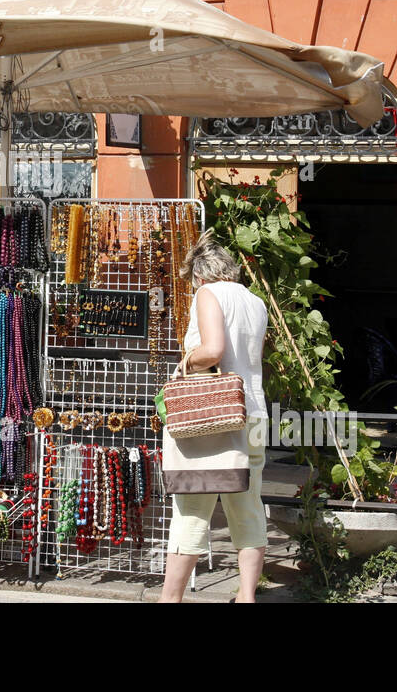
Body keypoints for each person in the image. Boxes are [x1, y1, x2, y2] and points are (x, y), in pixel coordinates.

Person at [159, 230, 269, 604]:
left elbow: (214, 350)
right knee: (248, 509)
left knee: (192, 510)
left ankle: (169, 600)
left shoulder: (208, 294)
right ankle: (246, 597)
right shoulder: (255, 301)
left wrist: (185, 361)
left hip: (212, 419)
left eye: (192, 283)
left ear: (200, 276)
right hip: (252, 413)